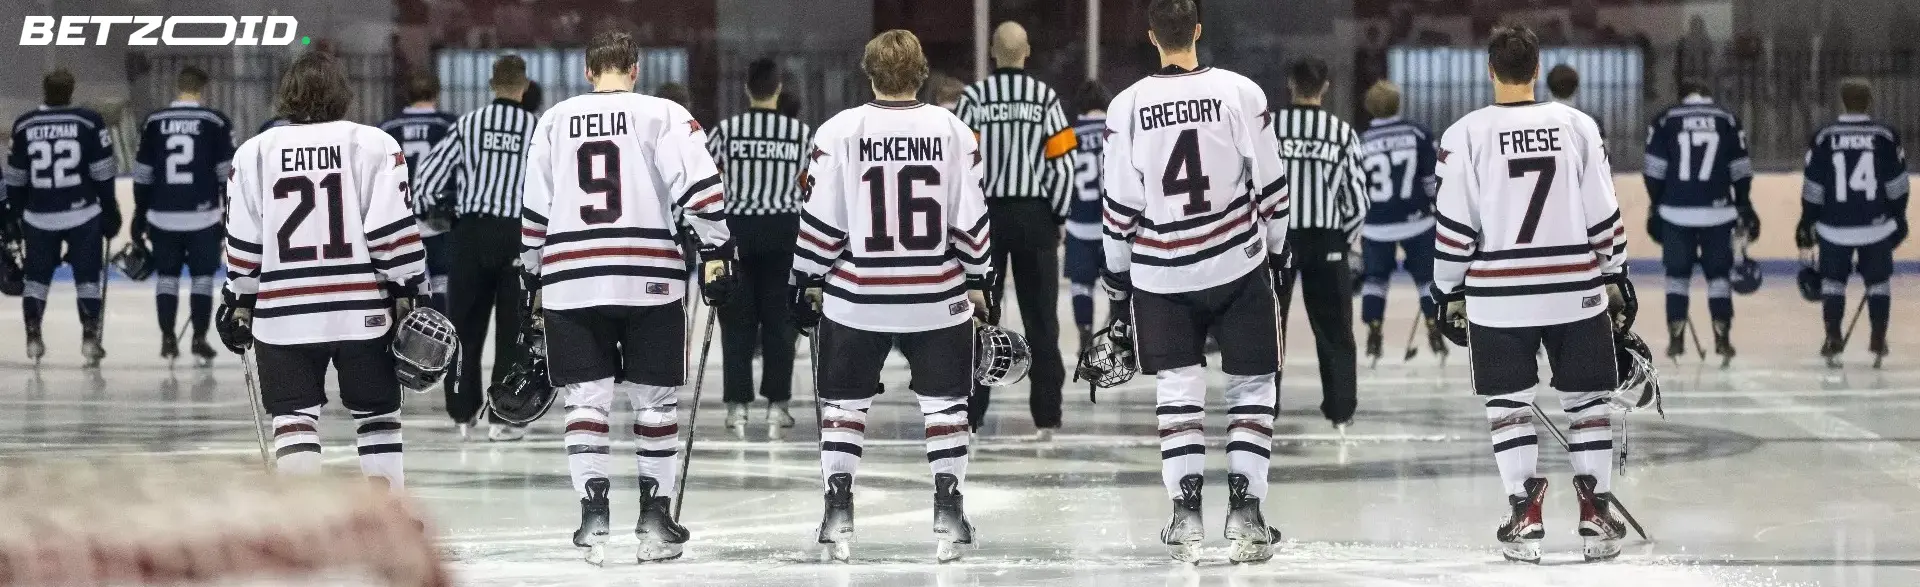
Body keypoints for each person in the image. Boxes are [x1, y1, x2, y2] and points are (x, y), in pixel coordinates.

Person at [520, 30, 734, 564]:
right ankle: (655, 519)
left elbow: (534, 213)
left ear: (589, 71)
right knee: (655, 405)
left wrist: (532, 273)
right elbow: (703, 192)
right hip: (650, 279)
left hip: (572, 278)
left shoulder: (553, 120)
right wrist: (717, 248)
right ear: (634, 69)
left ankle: (593, 514)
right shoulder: (662, 113)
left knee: (585, 401)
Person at [1429, 25, 1631, 564]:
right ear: (1537, 69)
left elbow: (1454, 225)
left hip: (1499, 295)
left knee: (1508, 407)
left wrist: (1446, 289)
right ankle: (1595, 511)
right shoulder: (1578, 125)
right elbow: (1603, 211)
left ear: (1490, 71)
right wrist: (1615, 273)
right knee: (1588, 402)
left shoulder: (1464, 134)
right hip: (1575, 289)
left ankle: (1525, 512)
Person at [791, 29, 992, 563]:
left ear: (869, 71)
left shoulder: (839, 131)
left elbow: (822, 221)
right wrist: (979, 278)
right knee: (946, 405)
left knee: (845, 405)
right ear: (921, 71)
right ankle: (948, 508)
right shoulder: (954, 131)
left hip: (858, 294)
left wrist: (806, 278)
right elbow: (970, 220)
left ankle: (838, 509)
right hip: (936, 294)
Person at [1101, 0, 1289, 563]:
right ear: (1199, 30)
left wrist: (1116, 283)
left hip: (1162, 272)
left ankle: (1186, 516)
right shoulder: (1240, 91)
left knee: (1178, 389)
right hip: (1237, 262)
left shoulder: (1126, 105)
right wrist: (1276, 253)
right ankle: (1247, 512)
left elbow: (1120, 208)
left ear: (1150, 34)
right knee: (1253, 387)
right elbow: (1271, 184)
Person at [215, 49, 427, 492]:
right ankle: (387, 519)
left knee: (294, 418)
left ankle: (305, 522)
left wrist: (238, 298)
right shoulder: (373, 144)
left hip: (282, 314)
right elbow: (393, 233)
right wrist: (412, 289)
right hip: (362, 311)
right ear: (342, 94)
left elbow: (243, 241)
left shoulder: (253, 152)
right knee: (378, 415)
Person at [956, 21, 1075, 438]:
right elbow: (1063, 165)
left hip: (985, 221)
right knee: (1041, 319)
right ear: (1027, 52)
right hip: (1035, 218)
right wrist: (1057, 216)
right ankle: (1047, 415)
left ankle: (972, 414)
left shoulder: (972, 98)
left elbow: (960, 168)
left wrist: (964, 222)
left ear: (992, 51)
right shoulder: (1044, 98)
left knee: (980, 316)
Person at [416, 55, 539, 441]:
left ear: (491, 84)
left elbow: (427, 179)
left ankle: (462, 414)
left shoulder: (468, 125)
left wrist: (443, 215)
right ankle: (504, 418)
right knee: (512, 332)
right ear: (523, 87)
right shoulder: (537, 128)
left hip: (470, 234)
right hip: (516, 236)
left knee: (465, 328)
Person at [709, 58, 813, 439]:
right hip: (784, 231)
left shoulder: (727, 131)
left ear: (747, 89)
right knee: (779, 321)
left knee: (736, 321)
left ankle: (737, 408)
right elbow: (811, 188)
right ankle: (777, 406)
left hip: (738, 230)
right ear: (779, 88)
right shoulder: (800, 134)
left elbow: (707, 181)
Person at [1271, 56, 1369, 430]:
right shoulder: (1341, 133)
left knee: (1269, 326)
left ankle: (1265, 407)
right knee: (1335, 330)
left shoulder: (1271, 129)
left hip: (1277, 241)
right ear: (1325, 87)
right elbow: (1357, 199)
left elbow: (1250, 186)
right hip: (1327, 239)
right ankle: (1341, 409)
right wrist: (1343, 238)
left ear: (1290, 84)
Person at [3, 69, 119, 366]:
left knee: (36, 280)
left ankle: (33, 336)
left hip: (39, 217)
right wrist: (110, 207)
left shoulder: (25, 124)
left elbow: (15, 177)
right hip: (83, 214)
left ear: (44, 91)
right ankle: (90, 337)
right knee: (87, 279)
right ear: (71, 91)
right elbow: (103, 170)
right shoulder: (88, 121)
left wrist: (14, 214)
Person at [1798, 79, 1907, 367]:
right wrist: (1899, 217)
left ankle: (1833, 336)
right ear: (1870, 101)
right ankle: (1878, 338)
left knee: (1833, 283)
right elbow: (1898, 185)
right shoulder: (1884, 135)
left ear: (1842, 102)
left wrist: (1807, 221)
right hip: (1876, 226)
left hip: (1833, 227)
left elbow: (1813, 186)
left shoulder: (1824, 136)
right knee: (1878, 283)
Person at [1643, 80, 1754, 363]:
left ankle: (1676, 339)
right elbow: (1741, 169)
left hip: (1675, 213)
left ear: (1683, 97)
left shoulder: (1666, 120)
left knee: (1677, 277)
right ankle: (1723, 339)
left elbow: (1654, 171)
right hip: (1719, 213)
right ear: (1707, 96)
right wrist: (1744, 203)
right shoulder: (1727, 119)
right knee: (1718, 277)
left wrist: (1656, 203)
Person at [131, 66, 235, 365]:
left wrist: (140, 213)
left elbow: (143, 173)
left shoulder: (154, 121)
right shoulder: (215, 122)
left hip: (162, 217)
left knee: (166, 278)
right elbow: (225, 175)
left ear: (178, 86)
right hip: (202, 218)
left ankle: (167, 339)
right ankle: (199, 339)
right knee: (202, 279)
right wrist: (229, 214)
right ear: (203, 89)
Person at [1356, 80, 1444, 363]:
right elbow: (1431, 180)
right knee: (1426, 280)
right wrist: (1439, 208)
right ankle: (1433, 326)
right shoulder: (1418, 133)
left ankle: (1373, 331)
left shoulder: (1361, 140)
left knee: (1375, 280)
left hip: (1376, 224)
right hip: (1417, 220)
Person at [378, 73, 459, 314]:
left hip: (399, 219)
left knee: (405, 284)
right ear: (436, 94)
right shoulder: (449, 125)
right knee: (442, 283)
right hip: (438, 217)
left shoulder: (386, 128)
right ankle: (442, 336)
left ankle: (409, 335)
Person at [1066, 79, 1114, 351]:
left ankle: (1085, 334)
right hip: (1113, 224)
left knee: (1081, 284)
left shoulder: (1069, 135)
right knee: (1120, 282)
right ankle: (1119, 333)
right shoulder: (1117, 132)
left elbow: (1060, 177)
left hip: (1079, 224)